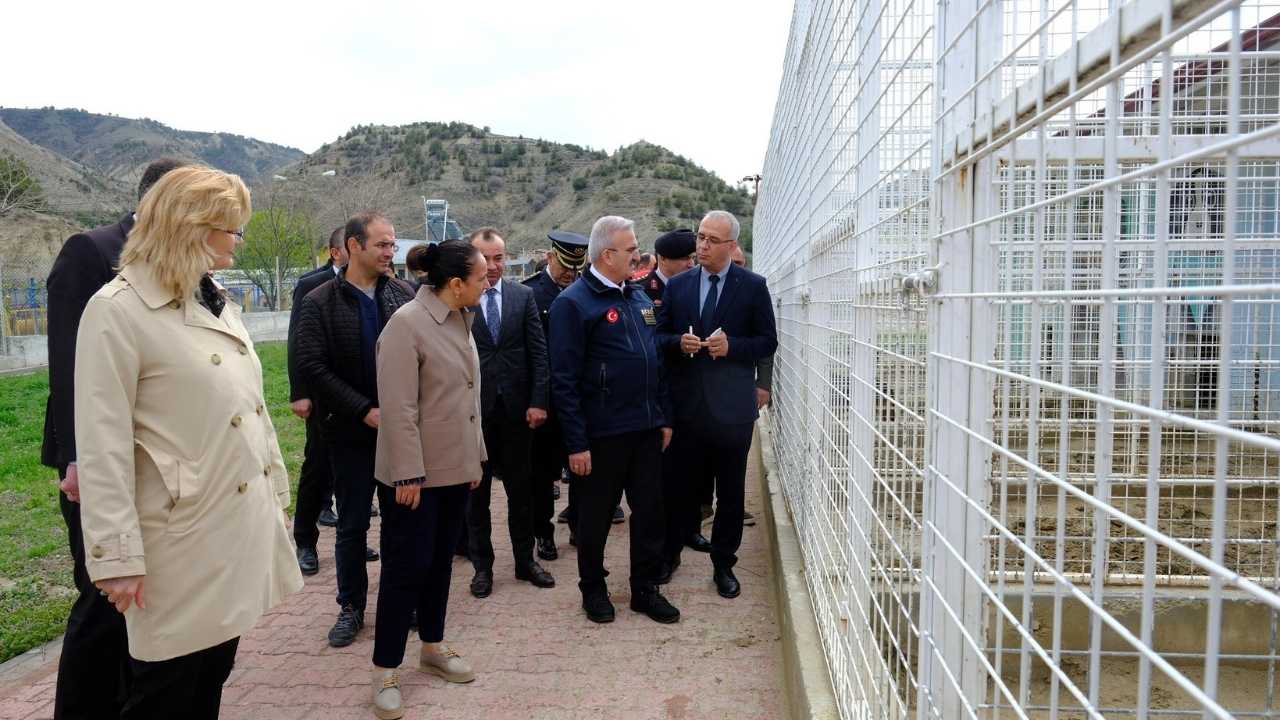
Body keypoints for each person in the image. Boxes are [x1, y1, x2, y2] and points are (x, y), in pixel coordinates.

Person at [73, 165, 303, 718]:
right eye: (232, 227)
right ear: (192, 226)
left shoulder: (211, 298)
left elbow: (252, 410)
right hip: (177, 539)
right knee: (165, 691)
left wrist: (276, 495)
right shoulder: (117, 310)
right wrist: (116, 557)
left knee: (211, 676)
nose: (238, 240)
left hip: (231, 522)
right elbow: (102, 446)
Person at [42, 156, 186, 720]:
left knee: (143, 599)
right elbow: (70, 366)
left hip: (156, 460)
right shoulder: (92, 251)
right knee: (104, 598)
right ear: (159, 201)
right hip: (98, 460)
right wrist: (78, 459)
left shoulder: (178, 260)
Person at [370, 239, 489, 719]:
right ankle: (385, 669)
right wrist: (407, 476)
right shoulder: (406, 325)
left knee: (440, 564)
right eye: (481, 277)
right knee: (405, 569)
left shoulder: (461, 318)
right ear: (456, 283)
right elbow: (398, 409)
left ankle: (433, 646)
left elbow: (467, 398)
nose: (488, 283)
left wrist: (474, 459)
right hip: (414, 478)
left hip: (454, 469)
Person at [548, 215, 679, 625]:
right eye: (631, 248)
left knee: (650, 512)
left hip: (645, 429)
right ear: (607, 255)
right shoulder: (574, 304)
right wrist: (576, 443)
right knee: (595, 517)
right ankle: (593, 589)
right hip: (601, 434)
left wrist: (664, 417)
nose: (638, 254)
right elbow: (563, 381)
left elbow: (655, 362)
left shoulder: (638, 298)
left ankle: (645, 589)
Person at [293, 212, 416, 648]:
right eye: (382, 244)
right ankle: (351, 606)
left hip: (399, 433)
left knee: (401, 522)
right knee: (352, 525)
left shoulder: (403, 295)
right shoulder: (320, 300)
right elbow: (312, 364)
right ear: (353, 246)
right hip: (348, 434)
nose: (390, 252)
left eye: (392, 244)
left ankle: (403, 601)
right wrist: (362, 409)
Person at [655, 210, 778, 598]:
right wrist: (679, 343)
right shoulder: (679, 286)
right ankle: (670, 554)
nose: (703, 245)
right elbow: (659, 338)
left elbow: (768, 341)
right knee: (679, 488)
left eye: (712, 240)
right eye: (701, 237)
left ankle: (724, 564)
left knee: (730, 492)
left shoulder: (753, 286)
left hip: (731, 410)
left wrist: (732, 347)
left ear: (731, 246)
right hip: (687, 407)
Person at [464, 227, 555, 598]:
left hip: (518, 413)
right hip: (474, 415)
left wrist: (538, 401)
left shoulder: (523, 296)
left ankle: (524, 560)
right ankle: (482, 567)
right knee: (477, 496)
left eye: (499, 257)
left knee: (522, 492)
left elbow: (539, 352)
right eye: (484, 258)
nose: (492, 265)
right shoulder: (460, 298)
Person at [523, 230, 588, 558]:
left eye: (577, 267)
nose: (570, 273)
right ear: (550, 258)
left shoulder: (585, 291)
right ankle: (543, 533)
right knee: (542, 473)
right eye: (565, 265)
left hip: (578, 399)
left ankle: (578, 525)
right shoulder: (531, 294)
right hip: (546, 400)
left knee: (581, 469)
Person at [288, 226, 348, 575]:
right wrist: (299, 392)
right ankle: (305, 542)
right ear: (337, 251)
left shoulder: (376, 285)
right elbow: (297, 341)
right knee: (317, 468)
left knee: (352, 475)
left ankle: (352, 539)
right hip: (322, 397)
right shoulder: (312, 285)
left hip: (357, 397)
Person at [638, 229, 696, 308]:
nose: (692, 264)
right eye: (685, 258)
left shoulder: (696, 286)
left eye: (693, 258)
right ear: (663, 259)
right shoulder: (640, 290)